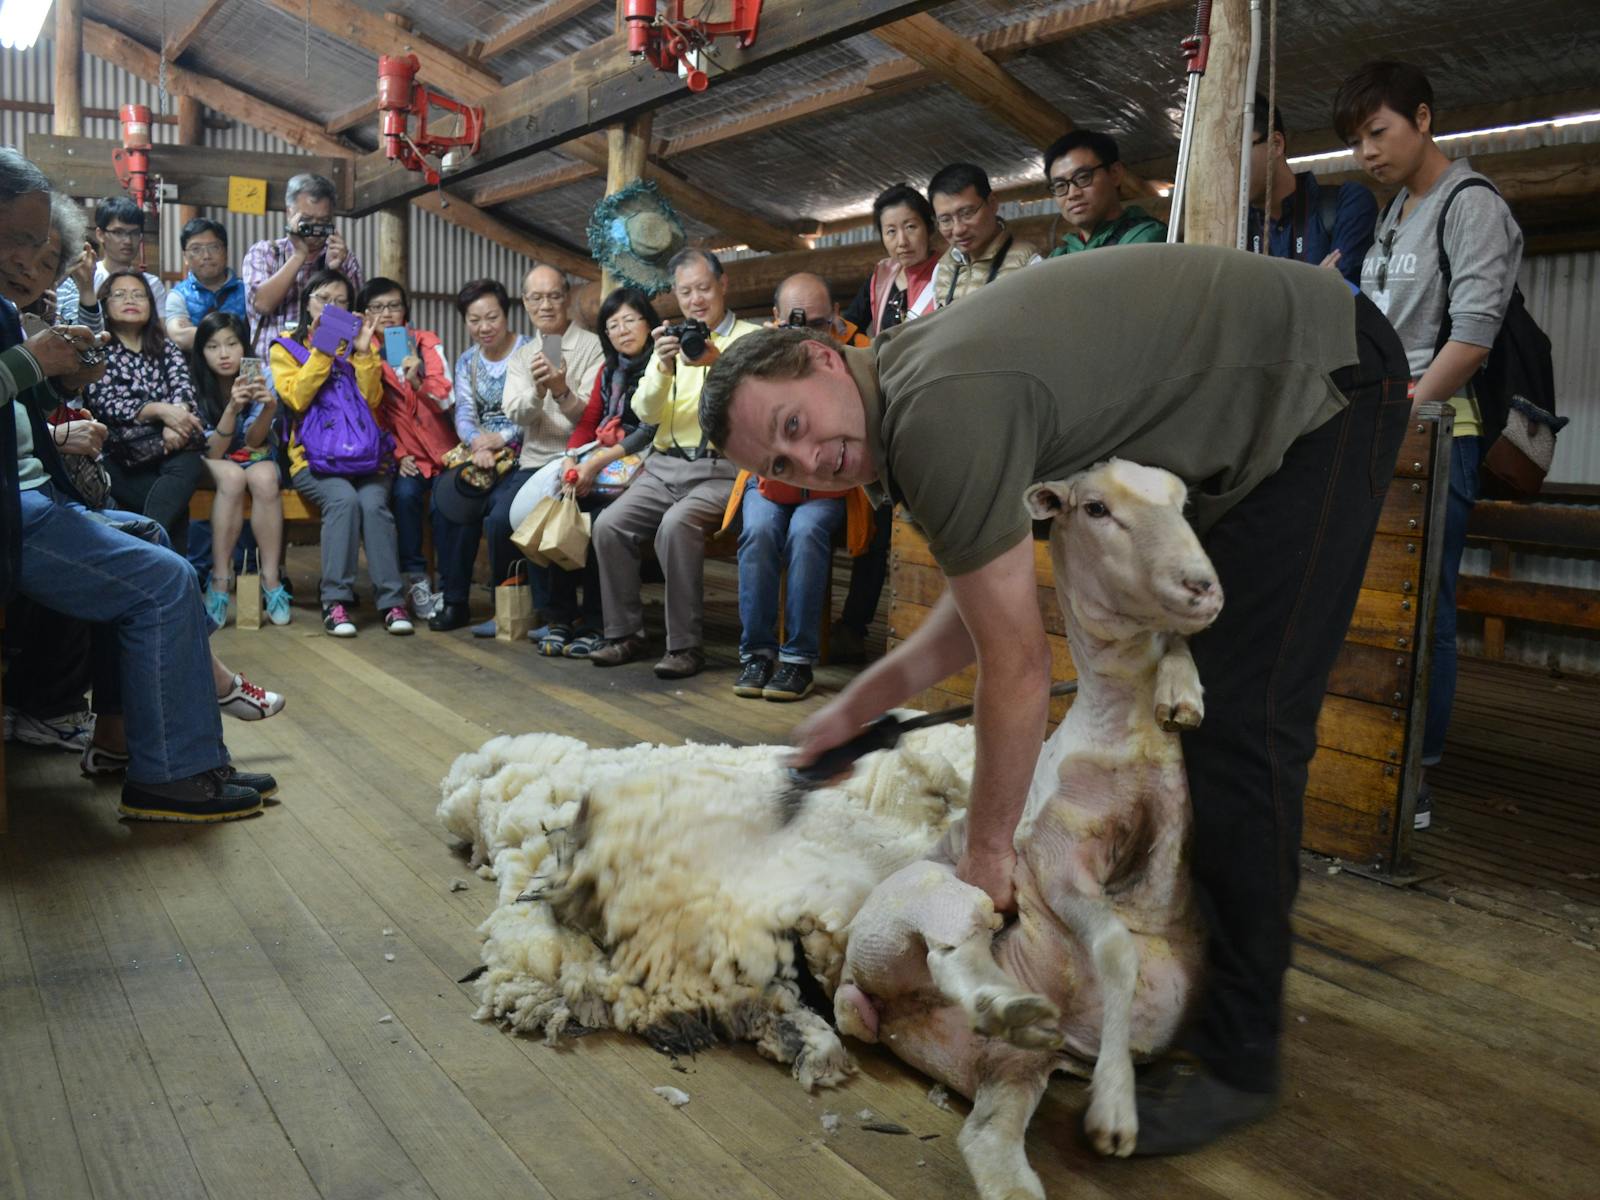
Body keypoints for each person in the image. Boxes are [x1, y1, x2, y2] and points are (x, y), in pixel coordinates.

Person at [701, 244, 1411, 1155]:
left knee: (1244, 716)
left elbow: (1018, 665)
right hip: (1294, 363)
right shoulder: (904, 405)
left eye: (796, 422)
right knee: (1199, 702)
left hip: (1327, 379)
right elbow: (975, 613)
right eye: (783, 459)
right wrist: (855, 709)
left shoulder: (936, 411)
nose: (810, 458)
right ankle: (1192, 980)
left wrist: (989, 858)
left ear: (827, 359)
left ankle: (1240, 1054)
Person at [0, 148, 272, 820]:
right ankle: (171, 775)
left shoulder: (11, 314)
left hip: (40, 495)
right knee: (163, 578)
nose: (30, 258)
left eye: (41, 245)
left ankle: (126, 742)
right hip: (18, 510)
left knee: (152, 533)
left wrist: (57, 379)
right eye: (21, 238)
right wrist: (35, 365)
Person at [1335, 61, 1524, 828]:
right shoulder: (1392, 213)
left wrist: (1412, 409)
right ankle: (1374, 751)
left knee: (1426, 606)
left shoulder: (1470, 204)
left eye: (1378, 132)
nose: (1367, 154)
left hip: (1441, 429)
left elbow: (1474, 332)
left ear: (1422, 118)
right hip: (1383, 422)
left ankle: (1417, 769)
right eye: (1355, 142)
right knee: (1375, 594)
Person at [589, 249, 760, 678]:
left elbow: (760, 404)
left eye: (704, 288)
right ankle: (625, 633)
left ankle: (685, 646)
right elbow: (645, 412)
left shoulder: (751, 338)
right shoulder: (668, 338)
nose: (696, 299)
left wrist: (717, 363)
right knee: (609, 525)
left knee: (675, 525)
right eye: (686, 292)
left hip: (723, 469)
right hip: (663, 467)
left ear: (724, 285)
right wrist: (663, 366)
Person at [729, 272, 871, 702]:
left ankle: (797, 661)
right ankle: (756, 653)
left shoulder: (858, 352)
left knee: (806, 533)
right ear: (775, 319)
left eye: (817, 323)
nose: (806, 334)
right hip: (771, 483)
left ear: (836, 316)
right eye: (796, 324)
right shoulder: (761, 357)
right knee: (758, 531)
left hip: (831, 487)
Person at [509, 286, 663, 658]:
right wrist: (571, 457)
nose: (623, 330)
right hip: (603, 458)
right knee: (563, 504)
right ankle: (561, 616)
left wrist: (595, 461)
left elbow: (650, 429)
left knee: (598, 521)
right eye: (614, 324)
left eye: (631, 320)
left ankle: (596, 621)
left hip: (645, 460)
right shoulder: (609, 370)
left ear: (649, 323)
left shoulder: (662, 365)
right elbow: (590, 420)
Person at [269, 269, 412, 637]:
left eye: (342, 302)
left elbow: (372, 403)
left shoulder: (364, 343)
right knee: (344, 501)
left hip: (365, 457)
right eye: (323, 299)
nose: (332, 307)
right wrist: (323, 349)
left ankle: (392, 601)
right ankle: (335, 601)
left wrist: (363, 354)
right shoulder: (284, 346)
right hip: (313, 460)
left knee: (373, 504)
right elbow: (297, 397)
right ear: (307, 305)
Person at [479, 264, 604, 641]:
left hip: (579, 457)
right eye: (536, 297)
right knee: (499, 520)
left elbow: (591, 417)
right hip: (534, 461)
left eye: (553, 296)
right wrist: (537, 389)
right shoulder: (524, 355)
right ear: (525, 303)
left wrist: (562, 391)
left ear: (567, 298)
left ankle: (562, 615)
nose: (545, 305)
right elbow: (517, 413)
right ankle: (525, 609)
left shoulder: (592, 346)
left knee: (562, 516)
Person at [427, 279, 530, 633]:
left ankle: (507, 602)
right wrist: (477, 443)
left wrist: (497, 440)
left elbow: (535, 410)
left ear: (506, 314)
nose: (484, 327)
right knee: (448, 501)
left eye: (492, 317)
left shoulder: (530, 352)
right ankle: (455, 600)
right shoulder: (468, 360)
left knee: (500, 512)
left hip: (523, 452)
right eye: (474, 320)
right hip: (480, 454)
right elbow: (465, 413)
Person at [82, 270, 208, 556]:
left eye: (139, 294)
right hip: (120, 453)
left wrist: (177, 420)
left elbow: (184, 389)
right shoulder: (99, 349)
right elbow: (104, 402)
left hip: (171, 444)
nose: (131, 300)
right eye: (120, 294)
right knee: (176, 505)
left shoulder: (165, 347)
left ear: (151, 304)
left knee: (189, 461)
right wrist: (161, 411)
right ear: (104, 304)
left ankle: (146, 556)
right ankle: (166, 569)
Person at [358, 276, 455, 619]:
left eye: (394, 306)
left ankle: (450, 585)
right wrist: (398, 454)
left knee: (446, 504)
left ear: (405, 311)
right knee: (404, 496)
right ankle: (417, 580)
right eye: (377, 307)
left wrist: (419, 378)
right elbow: (370, 413)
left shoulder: (426, 342)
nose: (387, 314)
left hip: (444, 453)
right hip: (404, 455)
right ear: (365, 313)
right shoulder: (364, 353)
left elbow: (446, 396)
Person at [191, 311, 288, 627]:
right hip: (212, 459)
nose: (223, 354)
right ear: (201, 352)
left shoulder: (263, 376)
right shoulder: (192, 382)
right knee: (232, 477)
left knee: (265, 477)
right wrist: (232, 408)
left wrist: (269, 409)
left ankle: (271, 580)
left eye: (232, 344)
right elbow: (213, 450)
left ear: (243, 347)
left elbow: (254, 440)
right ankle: (220, 580)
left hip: (253, 453)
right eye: (213, 346)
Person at [1247, 95, 1377, 291]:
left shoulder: (1346, 203)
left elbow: (1336, 294)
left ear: (1276, 144)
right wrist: (1314, 283)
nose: (1227, 168)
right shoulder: (1230, 229)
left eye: (1235, 151)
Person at [242, 172, 363, 360]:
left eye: (323, 222)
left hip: (325, 370)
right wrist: (299, 254)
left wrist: (334, 271)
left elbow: (352, 322)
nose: (315, 230)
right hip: (270, 369)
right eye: (306, 221)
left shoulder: (344, 259)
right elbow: (263, 304)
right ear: (289, 213)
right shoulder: (265, 252)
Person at [927, 163, 1041, 308]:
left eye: (967, 213)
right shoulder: (942, 269)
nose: (958, 230)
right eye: (945, 220)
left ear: (992, 203)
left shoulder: (1030, 264)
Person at [840, 183, 941, 337]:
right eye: (891, 231)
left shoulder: (947, 273)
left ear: (929, 227)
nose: (902, 241)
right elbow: (849, 327)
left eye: (910, 227)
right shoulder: (881, 277)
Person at [1043, 130, 1166, 254]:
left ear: (1115, 174)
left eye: (1083, 177)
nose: (1072, 194)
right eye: (1060, 186)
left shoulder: (1146, 239)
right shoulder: (1061, 254)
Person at [53, 195, 166, 328]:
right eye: (118, 232)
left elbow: (159, 333)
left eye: (134, 233)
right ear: (100, 234)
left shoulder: (152, 284)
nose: (128, 241)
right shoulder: (85, 275)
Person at [165, 218, 249, 351]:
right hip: (194, 371)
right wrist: (234, 338)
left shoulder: (246, 291)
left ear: (225, 251)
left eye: (214, 247)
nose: (206, 255)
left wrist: (195, 332)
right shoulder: (178, 295)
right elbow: (179, 338)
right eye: (196, 249)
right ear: (185, 257)